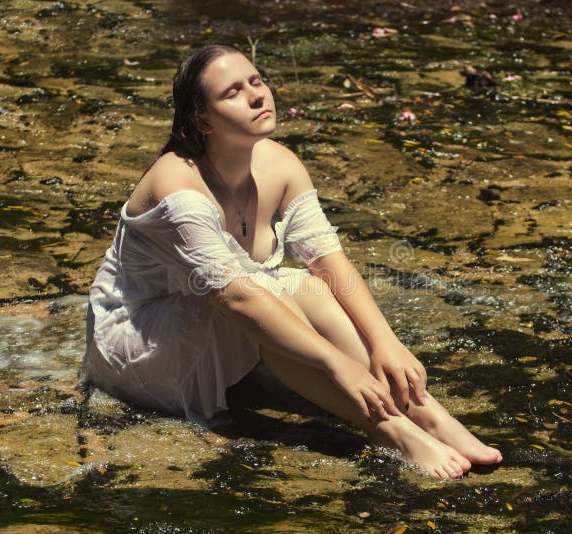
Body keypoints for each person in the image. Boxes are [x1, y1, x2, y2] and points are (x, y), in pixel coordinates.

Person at [83, 43, 502, 479]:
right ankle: (390, 427)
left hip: (223, 319)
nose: (256, 95)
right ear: (201, 119)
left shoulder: (279, 163)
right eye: (232, 92)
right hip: (138, 343)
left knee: (309, 285)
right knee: (263, 293)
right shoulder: (176, 180)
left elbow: (328, 261)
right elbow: (235, 297)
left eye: (256, 81)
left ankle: (425, 411)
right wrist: (337, 365)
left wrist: (384, 343)